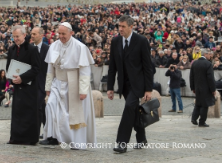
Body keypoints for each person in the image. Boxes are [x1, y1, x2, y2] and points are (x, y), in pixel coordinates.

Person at [40, 22, 96, 149]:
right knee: (50, 105)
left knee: (71, 114)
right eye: (59, 33)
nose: (61, 36)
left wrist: (83, 90)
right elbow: (50, 69)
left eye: (63, 34)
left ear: (71, 33)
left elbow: (85, 72)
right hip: (57, 82)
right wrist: (47, 87)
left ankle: (74, 141)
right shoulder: (53, 46)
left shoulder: (80, 47)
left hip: (73, 83)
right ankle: (52, 136)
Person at [107, 16, 152, 154]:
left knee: (128, 108)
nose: (120, 29)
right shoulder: (115, 41)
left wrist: (148, 89)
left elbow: (147, 66)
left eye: (123, 26)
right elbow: (112, 66)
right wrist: (110, 87)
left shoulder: (141, 41)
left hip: (138, 84)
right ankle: (142, 138)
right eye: (119, 26)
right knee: (133, 110)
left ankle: (121, 143)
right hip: (124, 85)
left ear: (131, 26)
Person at [6, 25, 40, 145]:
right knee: (17, 112)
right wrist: (11, 79)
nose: (15, 39)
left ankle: (30, 138)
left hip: (29, 87)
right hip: (17, 86)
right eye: (14, 36)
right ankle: (16, 137)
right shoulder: (12, 49)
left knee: (29, 113)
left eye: (18, 36)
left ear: (24, 35)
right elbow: (9, 66)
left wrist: (22, 78)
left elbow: (36, 68)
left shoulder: (32, 49)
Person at [190, 49, 217, 127]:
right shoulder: (208, 64)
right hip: (206, 88)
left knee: (198, 103)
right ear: (205, 54)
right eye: (209, 54)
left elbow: (191, 77)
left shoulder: (194, 63)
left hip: (197, 87)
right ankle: (202, 121)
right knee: (205, 105)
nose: (210, 55)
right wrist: (213, 89)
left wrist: (193, 87)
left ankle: (194, 118)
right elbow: (210, 78)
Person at [31, 27, 49, 139]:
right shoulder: (29, 48)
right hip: (32, 84)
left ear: (41, 35)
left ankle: (46, 132)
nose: (32, 36)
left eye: (34, 34)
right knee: (37, 109)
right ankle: (35, 132)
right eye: (31, 34)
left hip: (43, 84)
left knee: (42, 109)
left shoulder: (48, 49)